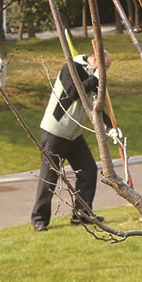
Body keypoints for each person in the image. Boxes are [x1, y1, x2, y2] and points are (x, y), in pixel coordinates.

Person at [30, 48, 120, 230]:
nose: (106, 71)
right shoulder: (71, 67)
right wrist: (94, 78)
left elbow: (97, 106)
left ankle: (82, 214)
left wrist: (110, 127)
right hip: (56, 131)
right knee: (50, 176)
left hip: (74, 134)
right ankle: (39, 219)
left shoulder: (95, 77)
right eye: (105, 66)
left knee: (88, 170)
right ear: (95, 59)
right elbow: (73, 92)